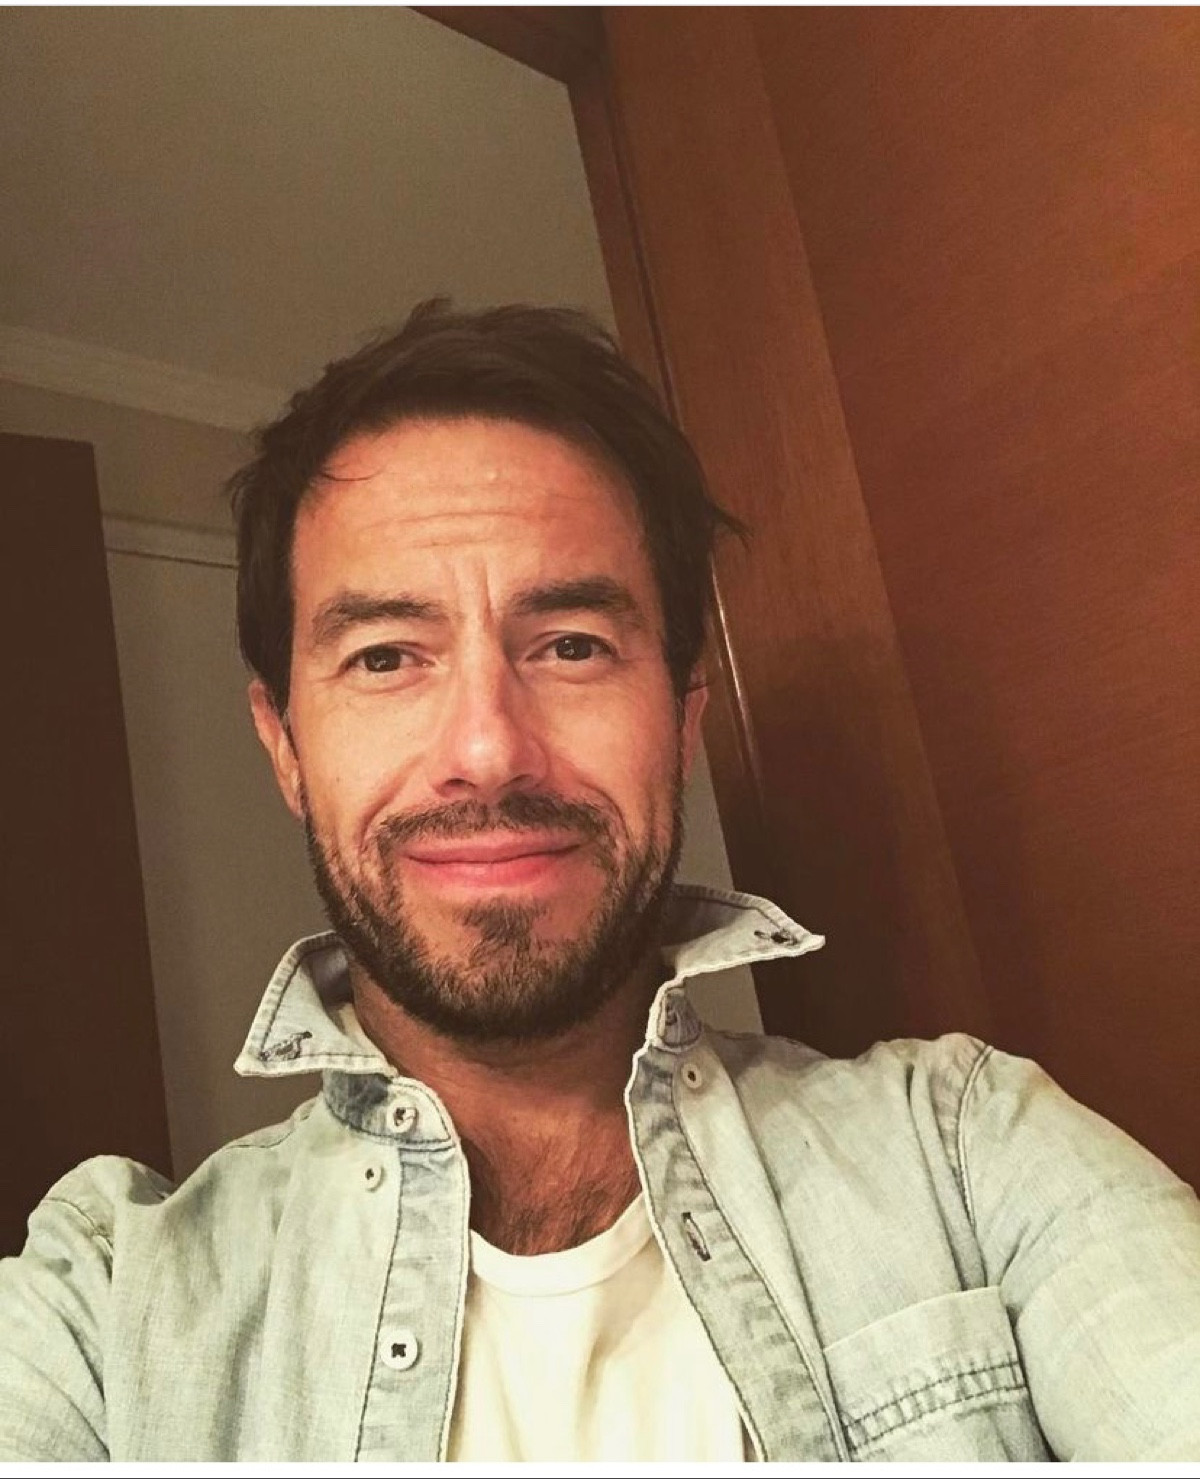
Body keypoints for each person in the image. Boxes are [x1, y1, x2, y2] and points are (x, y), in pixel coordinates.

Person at [1, 301, 1197, 1463]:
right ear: (284, 748)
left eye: (572, 646)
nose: (487, 750)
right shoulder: (100, 1307)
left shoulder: (973, 1153)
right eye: (386, 656)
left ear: (682, 721)